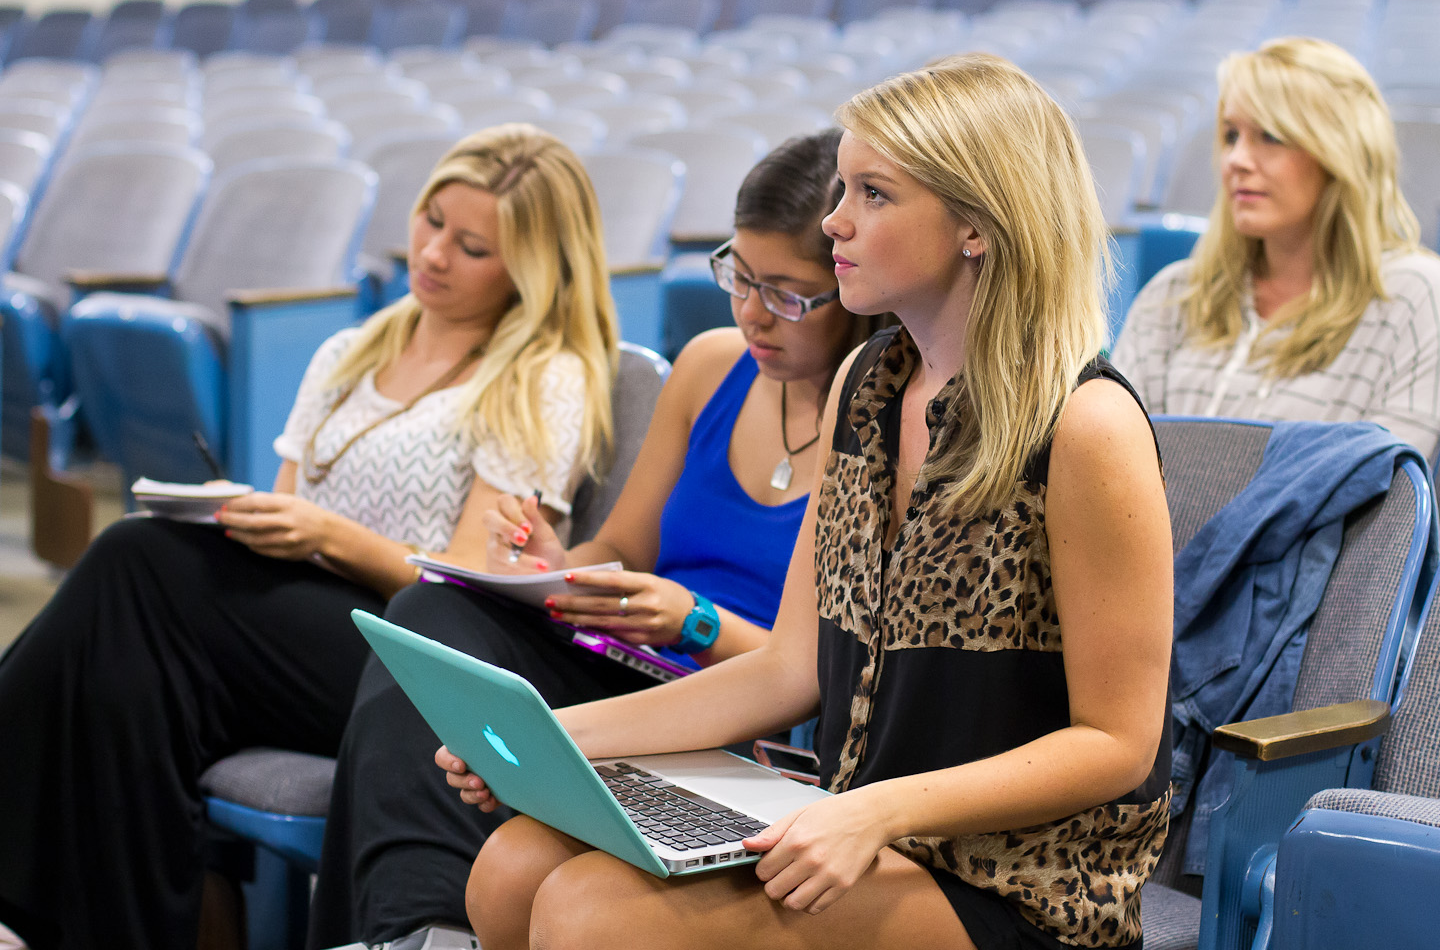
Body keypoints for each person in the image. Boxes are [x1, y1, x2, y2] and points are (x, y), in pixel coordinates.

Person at [439, 54, 1175, 950]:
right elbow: (791, 668)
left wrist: (874, 813)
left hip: (1019, 882)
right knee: (511, 867)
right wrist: (554, 739)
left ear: (975, 225)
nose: (834, 222)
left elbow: (1117, 743)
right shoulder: (863, 386)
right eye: (842, 190)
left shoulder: (1088, 426)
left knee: (589, 913)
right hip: (854, 822)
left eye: (872, 193)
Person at [0, 123, 619, 950]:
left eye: (471, 247)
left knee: (133, 567)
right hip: (306, 637)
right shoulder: (349, 348)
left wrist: (329, 535)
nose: (433, 254)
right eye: (431, 221)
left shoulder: (542, 376)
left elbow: (469, 594)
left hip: (409, 662)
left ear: (531, 269)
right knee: (127, 672)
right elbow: (287, 521)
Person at [306, 129, 891, 949]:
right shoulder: (708, 366)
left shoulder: (870, 411)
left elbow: (817, 670)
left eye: (790, 295)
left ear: (854, 290)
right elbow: (619, 547)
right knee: (427, 612)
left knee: (430, 639)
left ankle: (416, 928)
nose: (754, 313)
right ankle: (417, 930)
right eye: (741, 277)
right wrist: (552, 564)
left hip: (737, 703)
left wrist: (695, 621)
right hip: (629, 666)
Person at [1112, 36, 1440, 457]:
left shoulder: (1415, 297)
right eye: (1231, 135)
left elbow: (1389, 502)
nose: (1236, 160)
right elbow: (1115, 464)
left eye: (1270, 136)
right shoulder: (1174, 295)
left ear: (1340, 154)